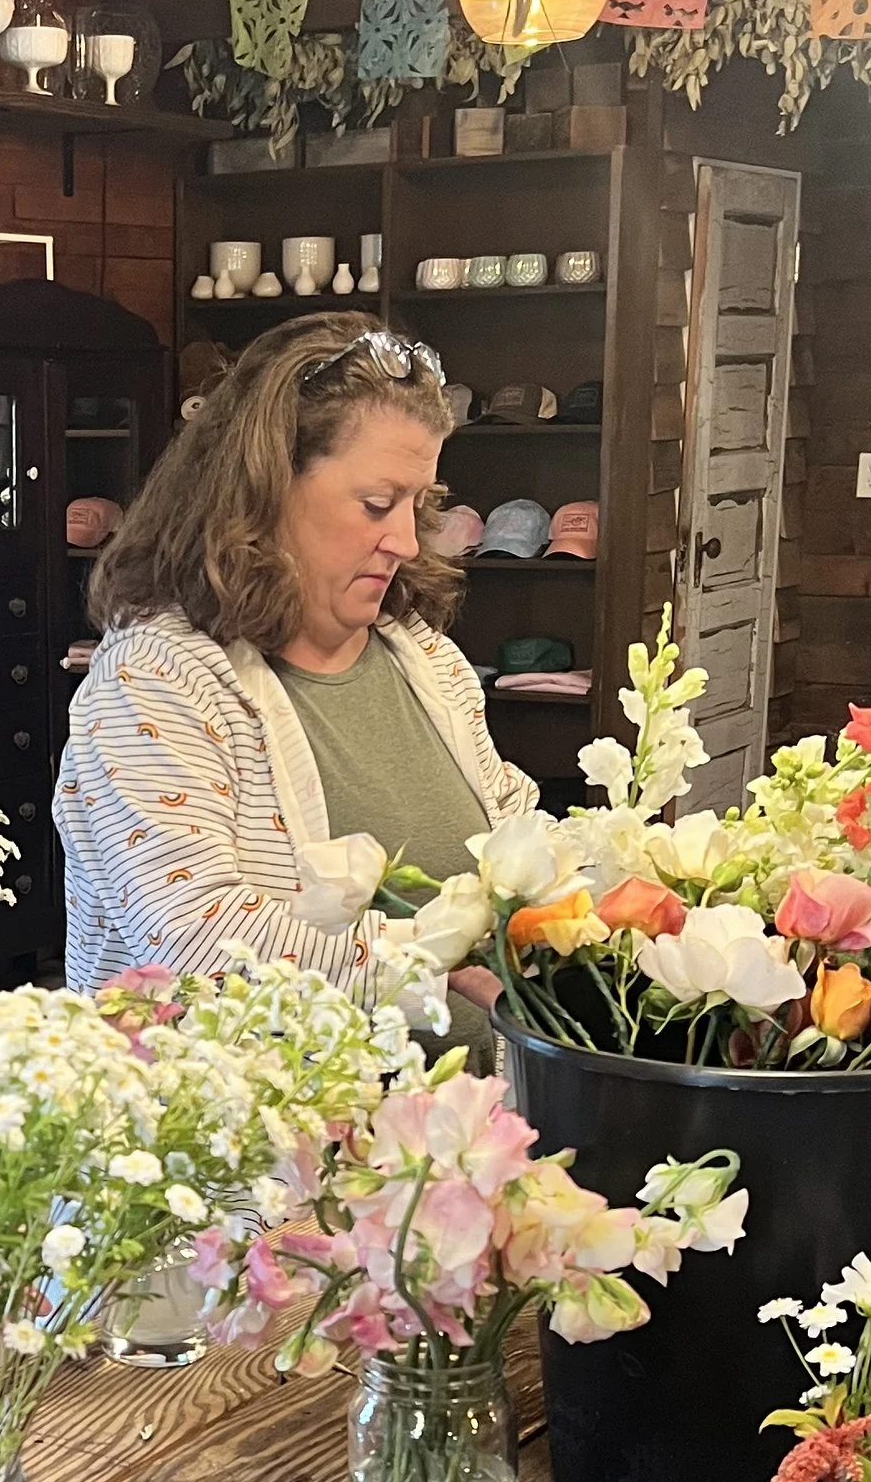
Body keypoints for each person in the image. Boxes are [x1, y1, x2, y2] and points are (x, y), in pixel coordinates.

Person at [55, 314, 537, 1045]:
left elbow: (512, 842)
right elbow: (195, 945)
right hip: (253, 1147)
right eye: (378, 503)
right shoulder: (155, 682)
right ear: (266, 487)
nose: (406, 541)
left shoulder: (423, 658)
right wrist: (431, 958)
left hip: (450, 1142)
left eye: (420, 503)